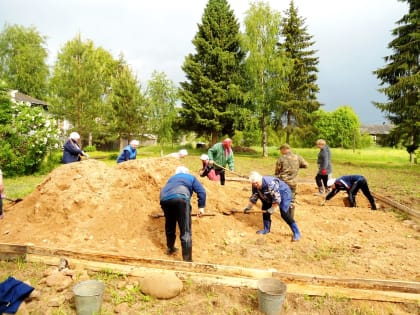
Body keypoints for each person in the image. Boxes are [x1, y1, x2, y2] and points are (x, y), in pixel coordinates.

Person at [159, 166, 206, 262]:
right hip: (181, 198)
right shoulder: (190, 177)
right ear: (186, 172)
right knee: (185, 230)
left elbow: (166, 190)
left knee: (170, 224)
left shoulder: (172, 178)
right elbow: (202, 191)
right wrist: (201, 207)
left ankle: (170, 249)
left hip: (165, 199)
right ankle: (187, 260)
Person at [243, 171, 301, 241]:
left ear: (260, 179)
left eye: (256, 183)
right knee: (265, 209)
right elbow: (254, 196)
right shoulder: (254, 185)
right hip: (268, 195)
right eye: (253, 184)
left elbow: (277, 199)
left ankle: (297, 232)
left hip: (284, 194)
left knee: (284, 213)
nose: (255, 185)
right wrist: (249, 207)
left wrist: (273, 208)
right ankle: (266, 229)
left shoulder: (270, 183)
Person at [274, 143, 308, 218]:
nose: (280, 151)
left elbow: (277, 172)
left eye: (281, 150)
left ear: (284, 149)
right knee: (291, 199)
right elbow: (306, 165)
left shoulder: (281, 158)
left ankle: (284, 215)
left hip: (283, 182)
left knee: (283, 198)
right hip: (293, 182)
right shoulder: (298, 157)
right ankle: (290, 217)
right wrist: (296, 167)